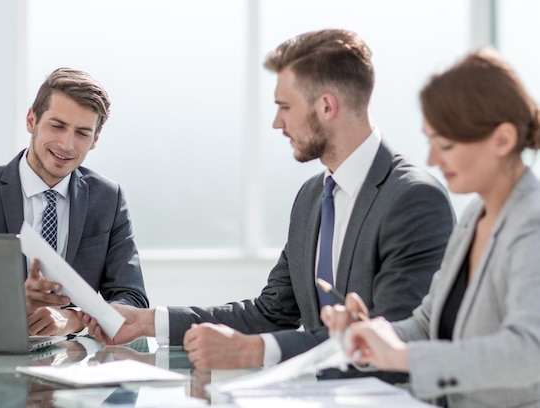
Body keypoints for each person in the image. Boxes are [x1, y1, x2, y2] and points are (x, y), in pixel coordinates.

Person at [82, 29, 455, 377]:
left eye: (284, 106)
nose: (277, 122)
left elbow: (393, 339)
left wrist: (252, 352)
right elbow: (272, 312)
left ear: (326, 106)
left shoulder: (414, 199)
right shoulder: (312, 197)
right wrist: (148, 321)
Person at [322, 48, 540, 407]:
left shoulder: (531, 222)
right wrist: (374, 335)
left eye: (447, 145)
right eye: (430, 141)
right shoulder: (474, 216)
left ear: (503, 139)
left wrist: (402, 358)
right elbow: (427, 325)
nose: (432, 160)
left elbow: (527, 352)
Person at [0, 67, 149, 336]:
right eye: (57, 126)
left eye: (82, 133)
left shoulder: (108, 199)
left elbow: (132, 299)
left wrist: (73, 319)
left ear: (95, 139)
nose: (67, 144)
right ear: (31, 120)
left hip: (77, 362)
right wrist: (18, 303)